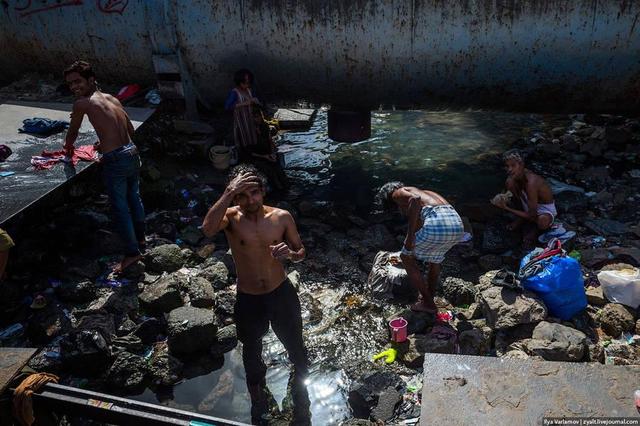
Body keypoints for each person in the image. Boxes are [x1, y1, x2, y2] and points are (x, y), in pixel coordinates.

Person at [202, 164, 309, 425]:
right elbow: (207, 229)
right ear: (236, 197)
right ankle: (256, 396)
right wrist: (228, 192)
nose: (251, 200)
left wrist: (290, 255)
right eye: (243, 195)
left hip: (280, 292)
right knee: (252, 348)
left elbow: (300, 252)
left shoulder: (281, 217)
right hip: (249, 297)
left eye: (255, 193)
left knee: (295, 343)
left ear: (262, 192)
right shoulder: (231, 218)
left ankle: (301, 389)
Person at [62, 61, 145, 273]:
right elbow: (129, 130)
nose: (73, 87)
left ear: (91, 79)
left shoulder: (82, 103)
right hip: (132, 152)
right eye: (70, 84)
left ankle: (132, 253)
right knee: (134, 198)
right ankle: (141, 241)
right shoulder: (112, 98)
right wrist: (106, 141)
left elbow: (73, 132)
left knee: (120, 207)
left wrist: (68, 149)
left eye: (77, 81)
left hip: (116, 159)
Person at [376, 182, 464, 313]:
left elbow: (414, 201)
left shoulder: (397, 192)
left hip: (437, 224)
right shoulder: (427, 193)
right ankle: (429, 298)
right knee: (434, 260)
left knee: (405, 257)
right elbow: (421, 216)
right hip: (457, 226)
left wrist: (410, 237)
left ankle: (428, 303)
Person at [493, 149, 557, 247]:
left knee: (542, 221)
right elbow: (510, 192)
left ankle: (534, 229)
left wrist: (506, 208)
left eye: (513, 165)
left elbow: (532, 215)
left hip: (544, 209)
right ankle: (521, 217)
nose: (509, 169)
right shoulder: (513, 178)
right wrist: (503, 197)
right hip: (528, 204)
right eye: (507, 166)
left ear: (522, 164)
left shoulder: (531, 182)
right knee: (509, 183)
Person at [225, 69, 260, 151]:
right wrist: (244, 104)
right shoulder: (234, 93)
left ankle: (251, 149)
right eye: (245, 83)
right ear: (239, 82)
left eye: (248, 82)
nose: (247, 85)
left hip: (250, 117)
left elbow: (254, 101)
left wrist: (255, 101)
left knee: (250, 132)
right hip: (240, 119)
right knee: (241, 134)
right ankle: (242, 150)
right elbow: (227, 106)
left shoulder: (249, 90)